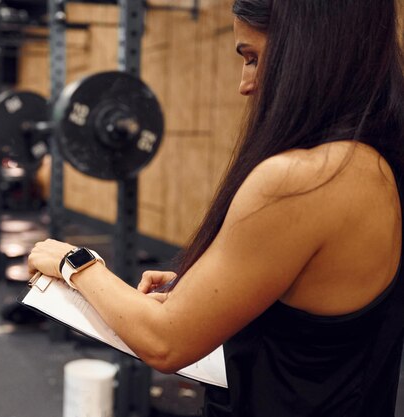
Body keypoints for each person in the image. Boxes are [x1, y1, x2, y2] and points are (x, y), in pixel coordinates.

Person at [28, 1, 404, 416]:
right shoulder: (377, 163)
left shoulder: (305, 179)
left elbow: (164, 342)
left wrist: (73, 262)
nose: (245, 83)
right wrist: (208, 293)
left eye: (253, 57)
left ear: (305, 50)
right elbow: (323, 313)